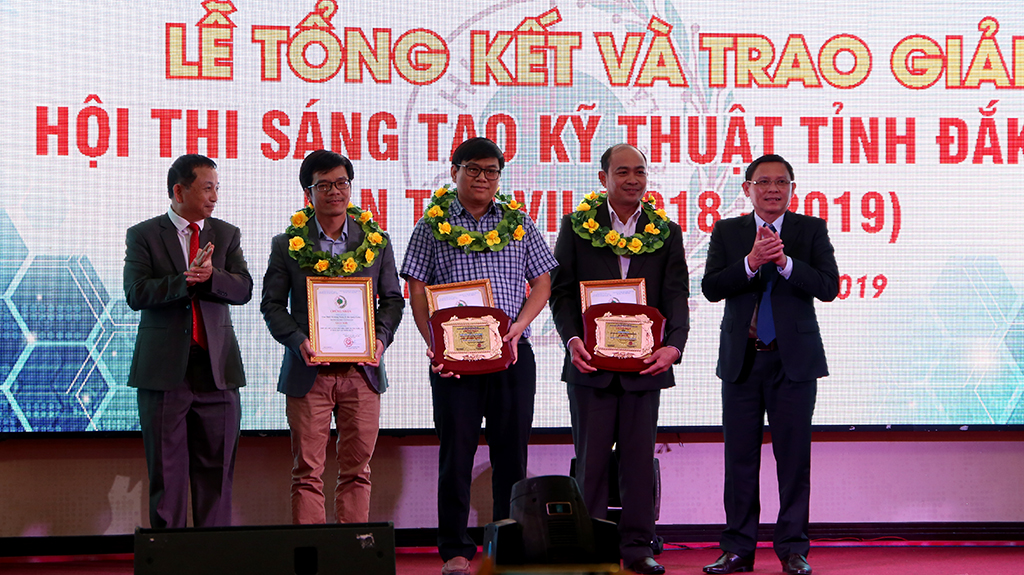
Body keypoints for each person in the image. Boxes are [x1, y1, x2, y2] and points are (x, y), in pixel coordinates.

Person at [400, 137, 558, 575]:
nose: (483, 178)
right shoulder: (431, 225)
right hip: (454, 361)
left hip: (511, 355)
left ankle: (508, 545)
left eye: (492, 171)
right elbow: (416, 289)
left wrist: (519, 326)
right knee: (456, 456)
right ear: (455, 172)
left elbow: (543, 282)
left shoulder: (519, 221)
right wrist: (433, 342)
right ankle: (455, 549)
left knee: (512, 456)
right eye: (473, 169)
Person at [549, 143, 689, 575]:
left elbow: (676, 295)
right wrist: (572, 339)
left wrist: (674, 346)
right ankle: (590, 548)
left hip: (645, 366)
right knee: (590, 463)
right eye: (623, 171)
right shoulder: (576, 227)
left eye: (640, 172)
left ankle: (637, 546)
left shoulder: (666, 231)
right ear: (603, 178)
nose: (633, 179)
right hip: (590, 365)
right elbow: (561, 292)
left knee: (638, 462)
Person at [701, 154, 838, 575]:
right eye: (764, 182)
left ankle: (793, 549)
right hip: (742, 362)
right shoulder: (727, 231)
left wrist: (784, 263)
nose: (773, 189)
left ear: (792, 189)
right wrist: (752, 262)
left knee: (793, 461)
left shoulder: (810, 229)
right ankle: (738, 549)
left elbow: (828, 286)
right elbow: (711, 287)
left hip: (793, 363)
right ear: (748, 189)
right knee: (739, 460)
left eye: (782, 182)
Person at [261, 150, 404, 524]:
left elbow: (392, 300)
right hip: (309, 372)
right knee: (307, 472)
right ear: (308, 193)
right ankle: (313, 551)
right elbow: (272, 305)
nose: (335, 192)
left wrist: (380, 340)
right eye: (323, 185)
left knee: (358, 470)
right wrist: (299, 341)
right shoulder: (286, 245)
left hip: (362, 372)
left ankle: (353, 550)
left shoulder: (376, 241)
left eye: (341, 183)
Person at [124, 153, 252, 528]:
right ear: (179, 191)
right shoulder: (144, 235)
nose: (214, 197)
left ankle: (213, 555)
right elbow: (136, 293)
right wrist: (184, 281)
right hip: (165, 373)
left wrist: (212, 277)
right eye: (207, 188)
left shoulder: (226, 234)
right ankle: (170, 555)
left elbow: (243, 289)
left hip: (217, 372)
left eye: (217, 188)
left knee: (217, 479)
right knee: (168, 480)